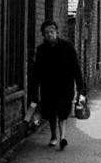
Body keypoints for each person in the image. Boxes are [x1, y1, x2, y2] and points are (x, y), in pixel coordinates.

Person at [31, 20, 86, 151]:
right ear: (43, 35)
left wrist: (80, 85)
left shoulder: (67, 47)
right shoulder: (41, 50)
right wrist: (34, 89)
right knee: (51, 112)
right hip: (48, 86)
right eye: (46, 33)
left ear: (56, 32)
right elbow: (37, 71)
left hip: (65, 86)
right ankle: (53, 136)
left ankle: (62, 138)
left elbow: (75, 66)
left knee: (62, 112)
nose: (50, 35)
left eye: (52, 32)